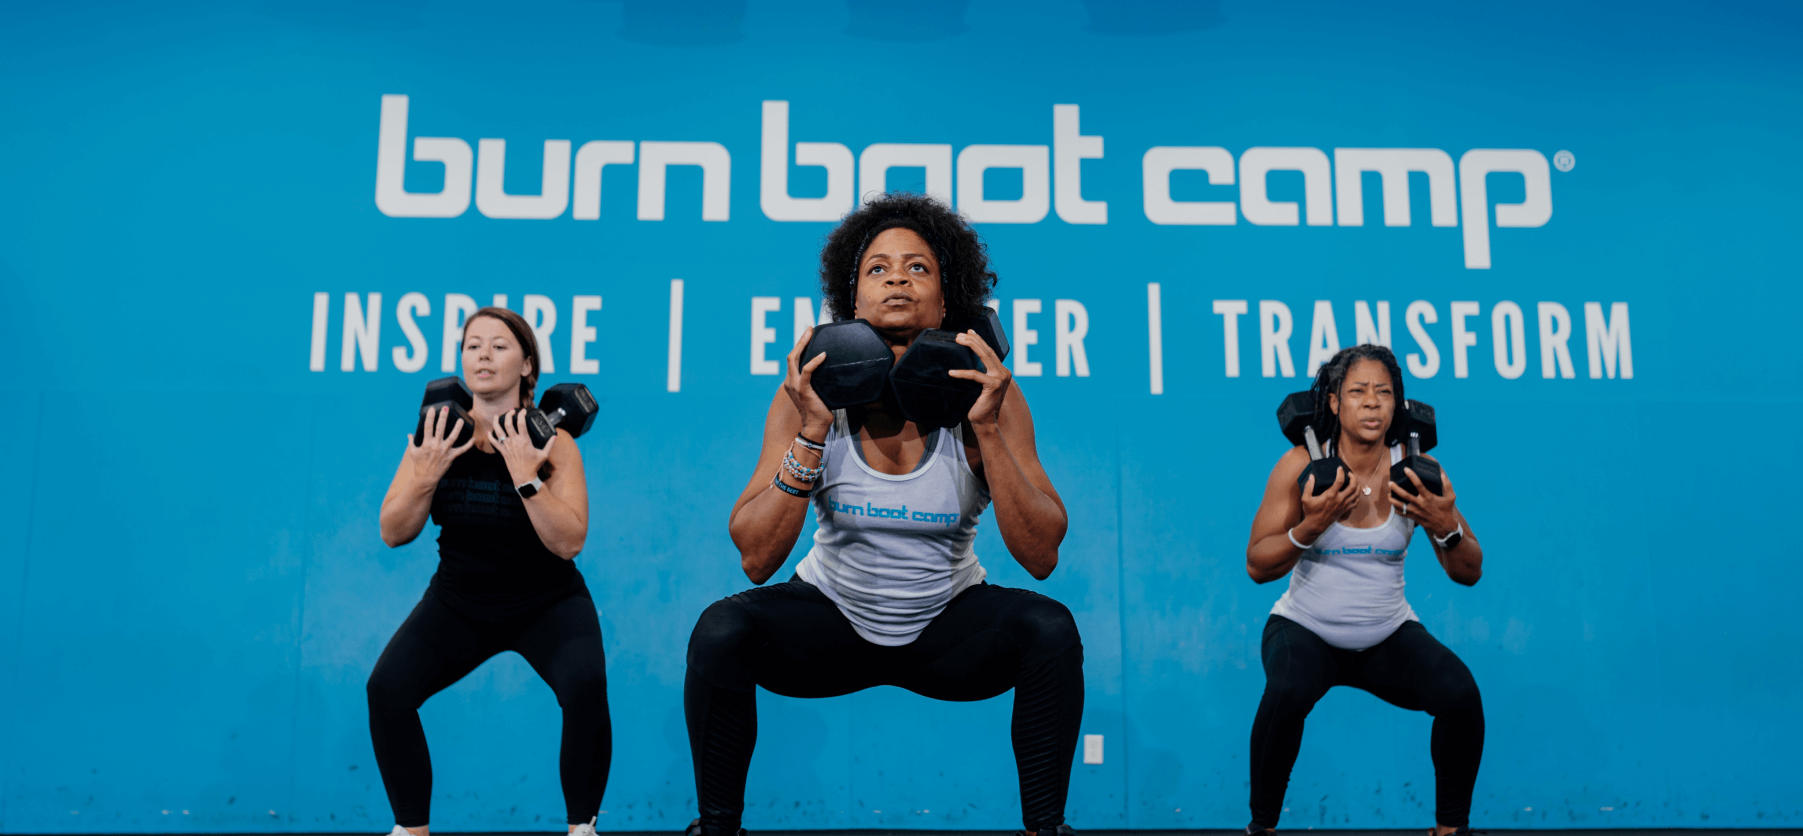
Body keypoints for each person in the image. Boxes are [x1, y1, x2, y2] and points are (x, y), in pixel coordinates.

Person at [685, 194, 1084, 836]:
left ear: (948, 296)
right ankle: (716, 830)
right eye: (877, 268)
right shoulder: (808, 398)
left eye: (917, 267)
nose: (897, 277)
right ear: (852, 298)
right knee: (720, 629)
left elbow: (1042, 554)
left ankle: (1046, 830)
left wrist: (986, 432)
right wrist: (812, 433)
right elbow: (757, 557)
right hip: (830, 622)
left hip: (948, 629)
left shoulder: (991, 396)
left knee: (1050, 628)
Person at [368, 307, 610, 836]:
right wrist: (425, 476)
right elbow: (393, 530)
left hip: (547, 602)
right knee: (386, 689)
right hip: (460, 601)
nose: (482, 354)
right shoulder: (434, 435)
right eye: (472, 344)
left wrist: (527, 477)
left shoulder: (555, 443)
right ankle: (411, 830)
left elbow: (568, 541)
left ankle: (582, 829)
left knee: (586, 686)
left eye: (499, 346)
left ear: (527, 365)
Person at [1242, 343, 1486, 836]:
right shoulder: (1300, 465)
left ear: (1397, 404)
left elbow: (1469, 570)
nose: (1372, 402)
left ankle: (1450, 831)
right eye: (1358, 392)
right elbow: (1257, 565)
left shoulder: (1417, 470)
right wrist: (1310, 526)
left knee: (1461, 696)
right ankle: (1261, 829)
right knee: (1286, 691)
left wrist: (1445, 525)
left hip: (1386, 632)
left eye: (1384, 393)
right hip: (1304, 627)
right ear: (1334, 402)